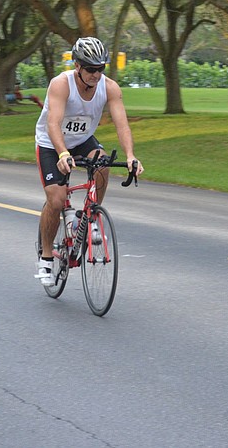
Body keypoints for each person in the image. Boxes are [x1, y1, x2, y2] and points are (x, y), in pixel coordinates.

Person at [34, 36, 144, 286]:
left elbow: (122, 125)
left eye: (101, 68)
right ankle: (47, 257)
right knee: (56, 200)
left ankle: (90, 216)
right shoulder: (61, 85)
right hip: (52, 142)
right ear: (77, 66)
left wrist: (130, 156)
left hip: (82, 139)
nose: (96, 75)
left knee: (103, 164)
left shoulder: (111, 88)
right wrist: (63, 154)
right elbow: (53, 124)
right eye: (91, 69)